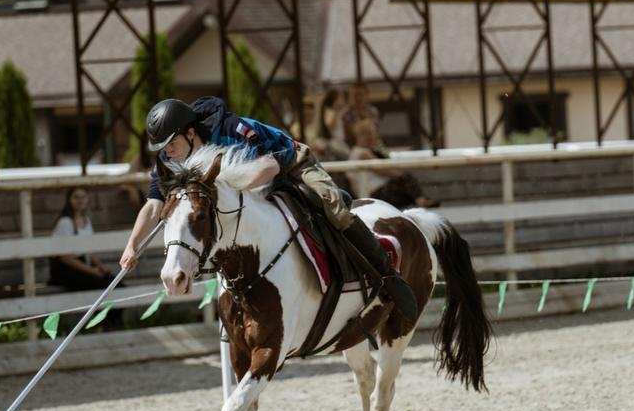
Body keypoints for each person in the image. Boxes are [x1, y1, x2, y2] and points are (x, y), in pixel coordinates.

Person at [120, 96, 418, 325]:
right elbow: (154, 204)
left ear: (189, 133)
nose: (166, 151)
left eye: (170, 143)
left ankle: (388, 276)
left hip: (291, 163)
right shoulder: (170, 158)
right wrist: (133, 245)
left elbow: (269, 167)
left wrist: (231, 186)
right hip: (250, 181)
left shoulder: (231, 129)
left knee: (335, 209)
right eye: (162, 146)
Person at [50, 187, 115, 291]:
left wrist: (102, 268)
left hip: (84, 266)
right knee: (103, 286)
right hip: (68, 270)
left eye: (83, 197)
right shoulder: (65, 222)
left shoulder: (87, 220)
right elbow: (66, 258)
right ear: (69, 200)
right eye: (76, 197)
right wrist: (92, 271)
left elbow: (89, 251)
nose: (80, 200)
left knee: (116, 283)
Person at [340, 83, 380, 149]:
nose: (358, 98)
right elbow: (353, 133)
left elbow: (375, 132)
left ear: (367, 95)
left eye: (360, 94)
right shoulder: (345, 113)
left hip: (373, 146)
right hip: (352, 148)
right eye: (355, 95)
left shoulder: (373, 111)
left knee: (384, 152)